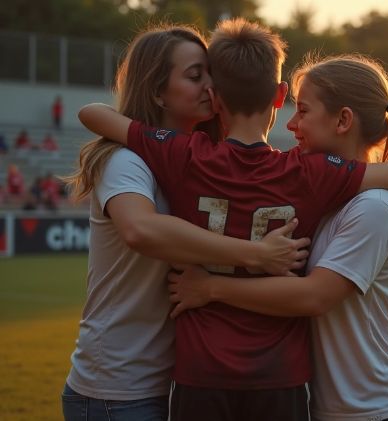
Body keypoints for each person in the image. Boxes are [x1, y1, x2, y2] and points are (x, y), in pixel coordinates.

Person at [79, 20, 388, 421]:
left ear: (215, 98)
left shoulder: (184, 154)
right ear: (280, 96)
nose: (296, 122)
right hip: (281, 373)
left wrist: (211, 286)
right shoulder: (307, 172)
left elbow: (93, 114)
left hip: (201, 370)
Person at [61, 24, 311, 421]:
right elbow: (141, 230)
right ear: (158, 91)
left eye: (212, 74)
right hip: (120, 387)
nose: (210, 86)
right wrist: (256, 255)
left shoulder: (202, 160)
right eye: (196, 76)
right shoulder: (126, 160)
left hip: (173, 379)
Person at [168, 53, 388, 421]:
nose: (291, 124)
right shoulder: (324, 192)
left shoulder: (375, 207)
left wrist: (210, 288)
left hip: (376, 410)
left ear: (343, 120)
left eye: (303, 111)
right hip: (338, 409)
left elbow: (315, 295)